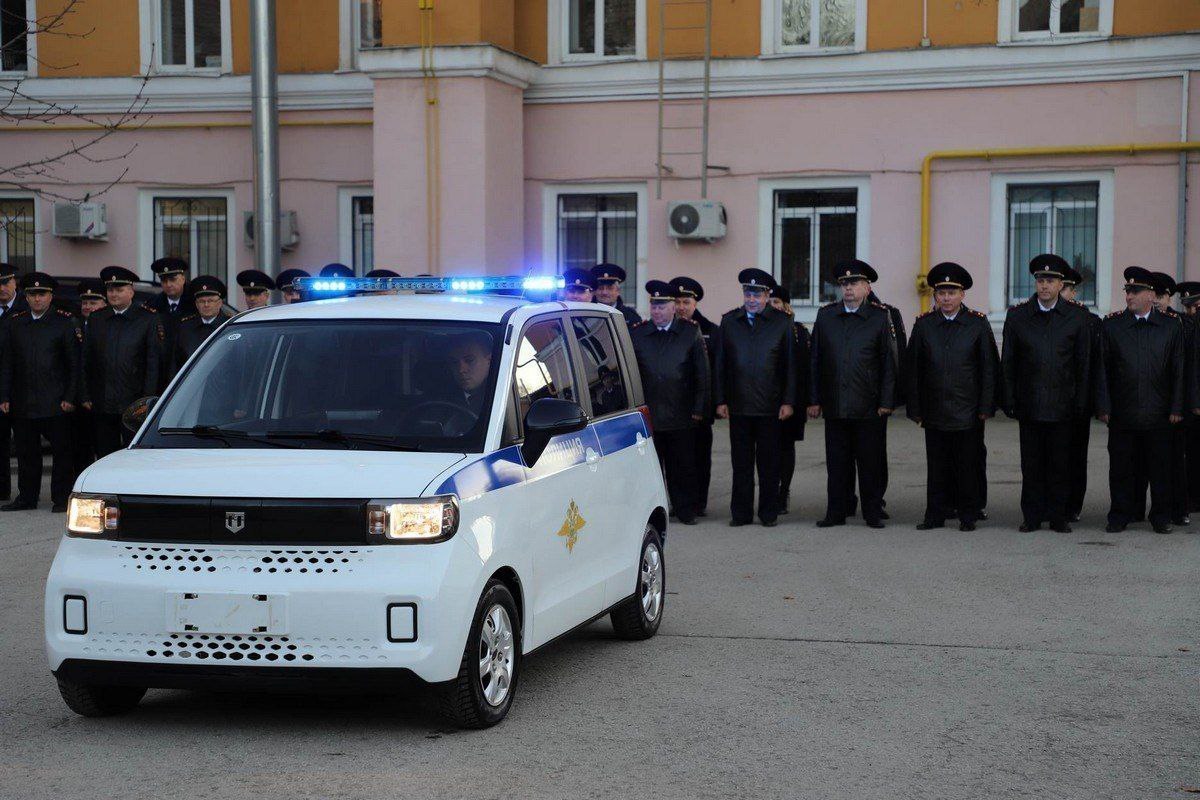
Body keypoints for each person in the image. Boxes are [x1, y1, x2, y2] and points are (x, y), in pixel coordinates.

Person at [1000, 253, 1092, 533]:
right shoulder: (1018, 317)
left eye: (1050, 280)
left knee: (1060, 463)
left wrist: (1081, 401)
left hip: (1063, 405)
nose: (1044, 286)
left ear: (1061, 284)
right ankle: (1032, 515)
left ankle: (1058, 516)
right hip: (1030, 403)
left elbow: (1083, 364)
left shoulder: (1076, 317)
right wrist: (1009, 398)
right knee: (1032, 464)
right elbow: (1009, 362)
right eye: (1040, 280)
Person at [904, 262, 996, 532]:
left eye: (951, 292)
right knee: (937, 466)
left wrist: (986, 406)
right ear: (935, 295)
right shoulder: (924, 325)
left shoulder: (977, 324)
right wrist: (915, 407)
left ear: (962, 295)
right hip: (934, 409)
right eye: (941, 292)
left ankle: (968, 514)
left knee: (968, 464)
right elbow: (914, 369)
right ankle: (935, 514)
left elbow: (988, 367)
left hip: (967, 409)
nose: (946, 298)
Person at [808, 259, 898, 528]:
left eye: (854, 283)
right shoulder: (826, 316)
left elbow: (888, 363)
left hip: (868, 405)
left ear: (867, 288)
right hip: (835, 403)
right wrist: (813, 399)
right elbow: (815, 360)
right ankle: (836, 512)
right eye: (844, 283)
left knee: (869, 462)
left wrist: (886, 401)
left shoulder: (880, 317)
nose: (848, 288)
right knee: (837, 463)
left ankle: (872, 512)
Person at [1094, 267, 1185, 534]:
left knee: (1160, 469)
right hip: (1123, 412)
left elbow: (1178, 370)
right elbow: (1103, 369)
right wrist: (1103, 406)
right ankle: (1119, 515)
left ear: (1150, 295)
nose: (1129, 296)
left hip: (1159, 413)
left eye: (1135, 291)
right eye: (1127, 291)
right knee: (1121, 468)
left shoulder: (1170, 327)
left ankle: (1161, 516)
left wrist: (1177, 407)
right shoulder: (1112, 326)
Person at [714, 268, 795, 528]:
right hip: (738, 406)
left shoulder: (781, 322)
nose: (752, 299)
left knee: (769, 464)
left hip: (771, 407)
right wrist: (721, 399)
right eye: (748, 293)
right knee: (741, 464)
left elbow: (790, 366)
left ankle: (769, 512)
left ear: (767, 295)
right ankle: (741, 513)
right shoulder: (729, 322)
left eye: (757, 294)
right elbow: (720, 365)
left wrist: (788, 400)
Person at [630, 280, 710, 526]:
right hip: (649, 415)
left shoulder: (689, 332)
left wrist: (699, 409)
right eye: (654, 306)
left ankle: (685, 510)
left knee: (682, 467)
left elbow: (702, 374)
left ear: (674, 307)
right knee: (651, 470)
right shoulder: (639, 333)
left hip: (681, 413)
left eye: (662, 306)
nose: (657, 311)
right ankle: (650, 514)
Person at [0, 273, 81, 512]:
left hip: (55, 401)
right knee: (26, 454)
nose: (37, 299)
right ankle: (27, 497)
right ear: (26, 296)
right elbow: (8, 363)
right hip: (23, 399)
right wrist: (4, 396)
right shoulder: (16, 322)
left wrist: (69, 397)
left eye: (42, 294)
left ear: (50, 296)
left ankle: (60, 497)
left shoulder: (64, 322)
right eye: (33, 294)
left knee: (61, 454)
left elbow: (73, 365)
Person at [82, 266, 163, 456]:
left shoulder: (147, 319)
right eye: (110, 290)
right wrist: (85, 394)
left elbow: (152, 364)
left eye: (119, 290)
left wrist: (147, 400)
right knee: (104, 453)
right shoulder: (97, 318)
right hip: (102, 402)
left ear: (131, 291)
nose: (114, 294)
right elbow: (86, 358)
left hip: (133, 403)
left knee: (135, 454)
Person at [1149, 271, 1197, 527]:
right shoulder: (1150, 323)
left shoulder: (1181, 323)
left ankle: (1180, 508)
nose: (1156, 300)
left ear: (1168, 297)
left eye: (1160, 295)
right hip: (1159, 401)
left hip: (1180, 401)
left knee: (1177, 459)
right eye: (1153, 295)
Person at [1057, 266, 1103, 523]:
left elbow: (1095, 364)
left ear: (1073, 291)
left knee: (1075, 455)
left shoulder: (1089, 321)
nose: (1061, 292)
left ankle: (1073, 504)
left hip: (1079, 400)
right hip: (1054, 400)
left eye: (1065, 288)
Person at [671, 276, 719, 516]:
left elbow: (717, 371)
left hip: (701, 407)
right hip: (674, 407)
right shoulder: (668, 330)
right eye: (677, 301)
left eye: (686, 301)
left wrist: (713, 405)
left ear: (695, 303)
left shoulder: (710, 330)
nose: (681, 307)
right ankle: (679, 501)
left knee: (700, 457)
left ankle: (699, 502)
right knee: (678, 460)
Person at [768, 284, 811, 516]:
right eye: (770, 302)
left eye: (777, 302)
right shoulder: (762, 329)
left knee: (785, 448)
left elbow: (804, 369)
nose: (773, 307)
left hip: (792, 400)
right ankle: (770, 492)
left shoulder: (799, 332)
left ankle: (783, 492)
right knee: (767, 449)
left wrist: (799, 402)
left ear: (786, 306)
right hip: (766, 400)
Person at [71, 279, 106, 478]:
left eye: (93, 302)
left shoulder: (105, 325)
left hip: (98, 397)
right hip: (75, 397)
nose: (87, 306)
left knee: (101, 444)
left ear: (103, 304)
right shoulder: (73, 323)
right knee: (79, 446)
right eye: (85, 302)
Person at [0, 262, 28, 501]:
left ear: (14, 283)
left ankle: (26, 493)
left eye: (5, 282)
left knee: (24, 444)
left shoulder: (25, 306)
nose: (1, 288)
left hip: (22, 387)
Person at [174, 277, 233, 373]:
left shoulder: (229, 326)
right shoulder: (185, 327)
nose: (206, 305)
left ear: (220, 303)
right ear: (196, 304)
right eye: (202, 301)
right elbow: (176, 363)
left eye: (210, 301)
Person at [1177, 280, 1200, 512]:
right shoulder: (1182, 326)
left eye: (1194, 307)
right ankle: (1193, 498)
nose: (1190, 312)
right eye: (1187, 308)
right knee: (1191, 453)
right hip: (1190, 402)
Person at [445, 331, 493, 418]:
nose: (461, 370)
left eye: (469, 360)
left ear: (489, 361)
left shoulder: (500, 397)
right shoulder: (440, 400)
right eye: (454, 362)